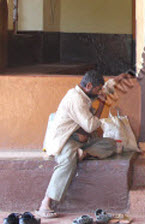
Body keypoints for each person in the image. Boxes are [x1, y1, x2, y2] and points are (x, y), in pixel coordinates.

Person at [38, 70, 118, 218]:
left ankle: (84, 154)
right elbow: (91, 126)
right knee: (67, 162)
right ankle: (46, 203)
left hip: (82, 142)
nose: (99, 91)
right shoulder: (76, 99)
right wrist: (101, 104)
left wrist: (101, 102)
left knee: (110, 144)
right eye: (98, 89)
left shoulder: (84, 96)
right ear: (88, 86)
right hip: (67, 140)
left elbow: (91, 125)